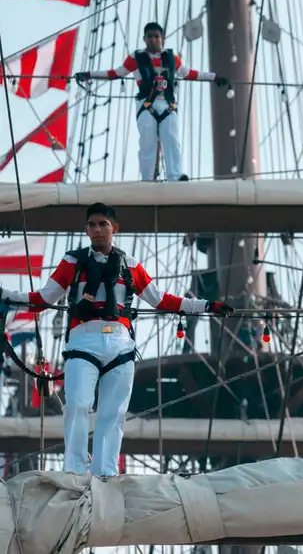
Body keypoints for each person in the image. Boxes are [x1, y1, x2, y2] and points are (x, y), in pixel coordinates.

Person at [0, 203, 233, 477]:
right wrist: (5, 295)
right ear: (86, 230)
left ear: (115, 228)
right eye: (92, 225)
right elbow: (42, 299)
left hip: (121, 345)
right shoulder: (72, 262)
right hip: (82, 342)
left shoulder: (130, 265)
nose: (97, 229)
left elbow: (161, 300)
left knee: (113, 413)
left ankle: (105, 476)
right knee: (77, 404)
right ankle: (74, 473)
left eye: (103, 224)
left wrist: (206, 306)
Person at [74, 22, 229, 182]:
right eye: (150, 37)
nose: (153, 40)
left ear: (162, 38)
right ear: (144, 39)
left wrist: (215, 77)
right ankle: (147, 179)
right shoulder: (136, 58)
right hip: (146, 105)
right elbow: (115, 73)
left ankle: (175, 176)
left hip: (168, 105)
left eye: (156, 36)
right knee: (147, 142)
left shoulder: (171, 58)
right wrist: (88, 74)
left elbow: (188, 73)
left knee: (171, 140)